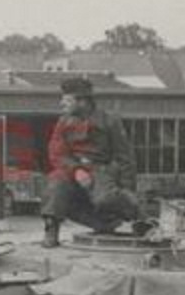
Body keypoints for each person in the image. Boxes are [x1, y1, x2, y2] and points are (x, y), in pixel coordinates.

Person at [41, 77, 148, 247]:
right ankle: (51, 228)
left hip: (103, 170)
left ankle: (139, 216)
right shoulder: (64, 122)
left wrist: (128, 191)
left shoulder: (110, 121)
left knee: (106, 199)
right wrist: (76, 170)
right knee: (56, 183)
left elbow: (125, 157)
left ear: (82, 101)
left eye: (67, 99)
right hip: (73, 170)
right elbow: (57, 153)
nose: (61, 103)